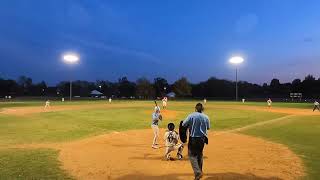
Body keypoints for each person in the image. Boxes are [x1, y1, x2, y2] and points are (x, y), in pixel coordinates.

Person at [182, 103, 210, 180]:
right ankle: (199, 172)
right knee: (200, 154)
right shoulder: (206, 117)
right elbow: (208, 127)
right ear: (202, 109)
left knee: (191, 155)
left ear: (195, 109)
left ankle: (197, 172)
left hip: (193, 139)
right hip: (202, 139)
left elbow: (184, 124)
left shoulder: (191, 115)